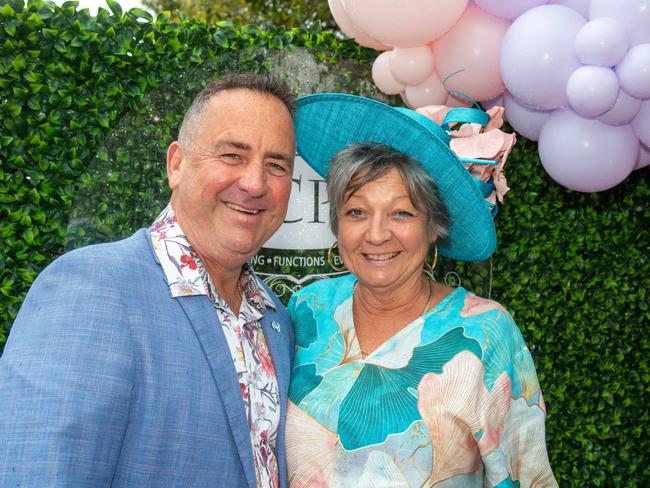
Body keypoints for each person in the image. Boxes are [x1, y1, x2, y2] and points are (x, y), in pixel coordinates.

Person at [0, 73, 297, 487]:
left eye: (276, 165)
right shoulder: (91, 289)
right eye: (232, 155)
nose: (254, 182)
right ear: (176, 164)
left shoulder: (273, 316)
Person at [285, 93, 557, 487]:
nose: (376, 235)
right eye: (357, 212)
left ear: (434, 229)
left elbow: (525, 477)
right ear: (337, 223)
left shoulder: (487, 330)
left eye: (402, 213)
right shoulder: (306, 309)